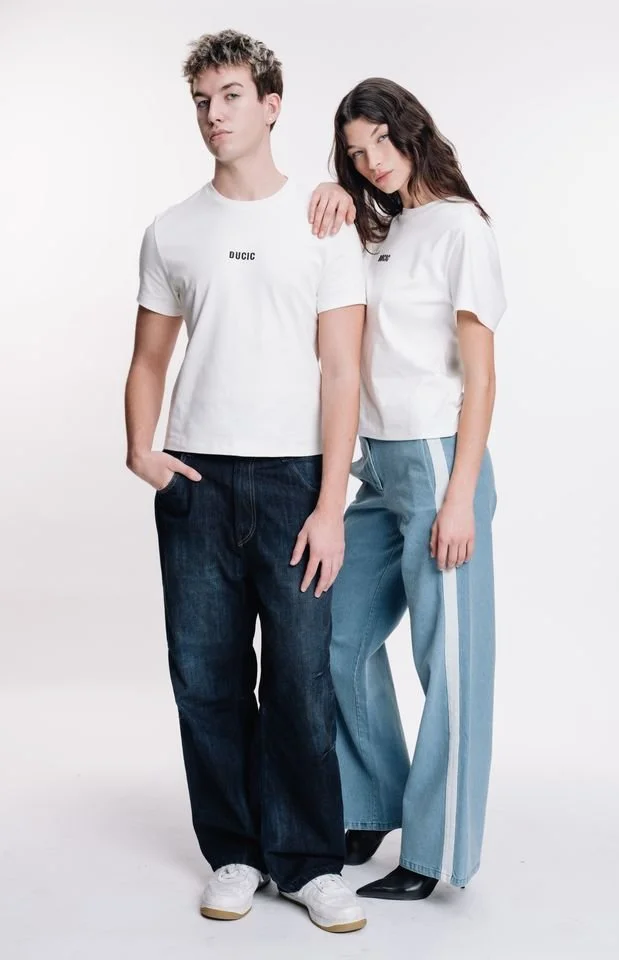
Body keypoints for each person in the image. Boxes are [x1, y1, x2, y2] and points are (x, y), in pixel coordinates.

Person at [124, 30, 367, 933]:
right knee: (206, 677)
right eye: (201, 100)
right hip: (195, 479)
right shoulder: (172, 229)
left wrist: (331, 504)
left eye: (230, 96)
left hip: (296, 477)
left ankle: (310, 863)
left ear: (271, 103)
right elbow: (149, 359)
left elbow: (340, 371)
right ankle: (233, 851)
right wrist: (140, 448)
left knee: (302, 677)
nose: (213, 115)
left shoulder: (323, 225)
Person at [310, 77, 507, 900]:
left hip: (434, 465)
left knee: (450, 668)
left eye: (379, 145)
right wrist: (328, 194)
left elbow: (484, 375)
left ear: (410, 131)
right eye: (355, 155)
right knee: (335, 636)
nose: (371, 164)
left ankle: (433, 853)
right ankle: (377, 799)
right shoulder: (384, 233)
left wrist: (459, 495)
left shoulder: (461, 228)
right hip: (379, 470)